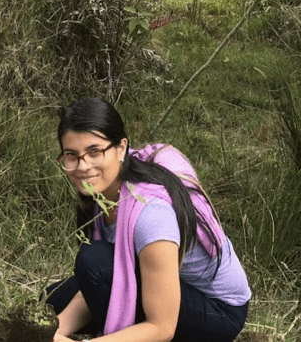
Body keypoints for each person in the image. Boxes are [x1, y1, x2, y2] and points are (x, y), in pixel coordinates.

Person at [46, 98, 251, 342]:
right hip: (158, 280)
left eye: (94, 152)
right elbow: (104, 272)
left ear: (121, 147)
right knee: (51, 301)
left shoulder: (151, 214)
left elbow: (162, 327)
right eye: (72, 155)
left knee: (93, 261)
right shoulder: (100, 193)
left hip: (217, 311)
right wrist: (55, 332)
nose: (83, 166)